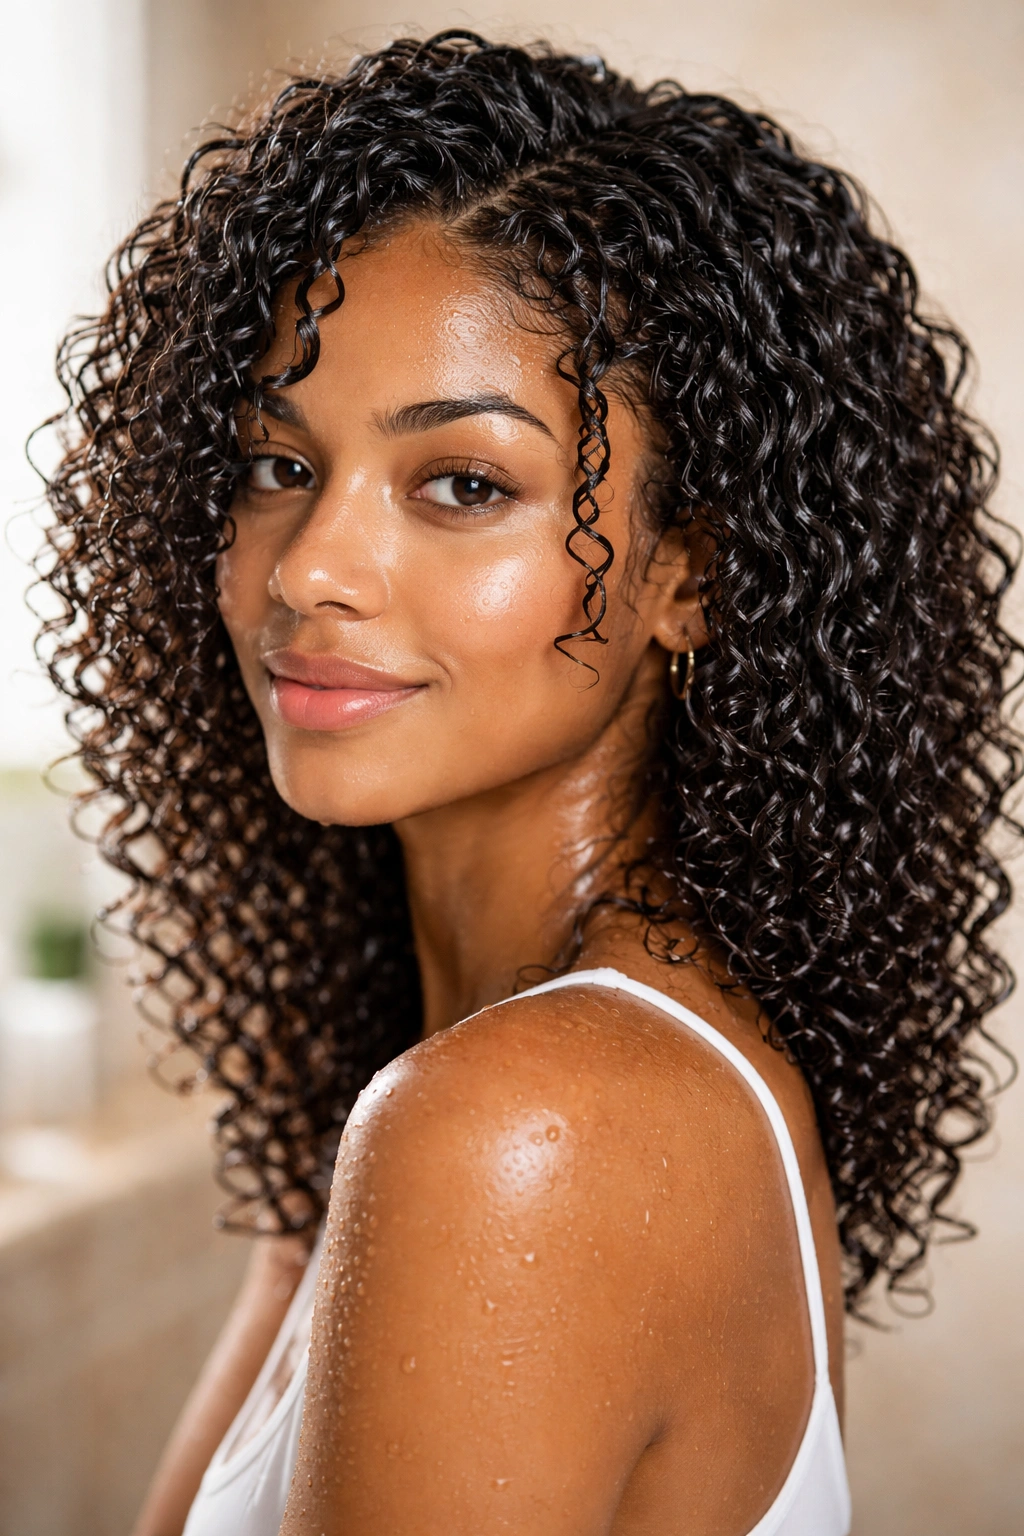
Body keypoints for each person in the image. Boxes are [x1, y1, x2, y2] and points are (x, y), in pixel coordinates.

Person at [39, 31, 1018, 1536]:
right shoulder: (539, 1076)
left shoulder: (520, 1136)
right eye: (275, 464)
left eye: (465, 486)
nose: (309, 570)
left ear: (692, 572)